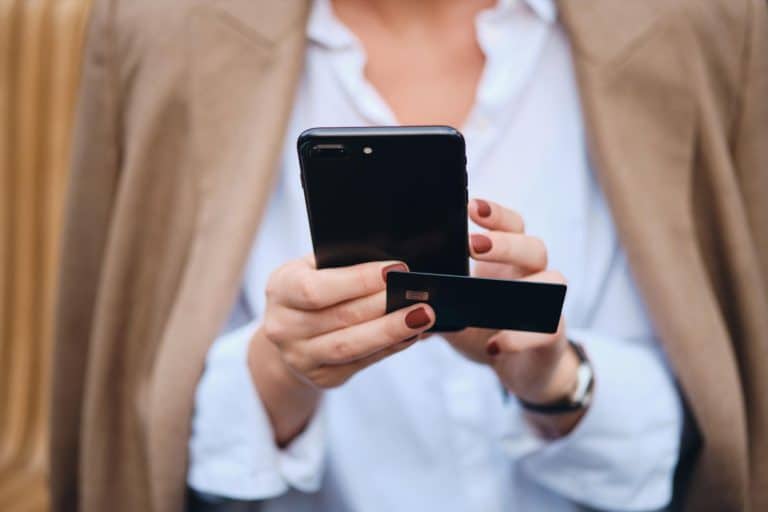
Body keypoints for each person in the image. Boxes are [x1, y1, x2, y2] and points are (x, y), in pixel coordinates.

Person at [50, 0, 768, 511]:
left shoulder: (700, 26)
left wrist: (556, 381)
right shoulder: (161, 28)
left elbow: (724, 416)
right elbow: (127, 423)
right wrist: (282, 369)